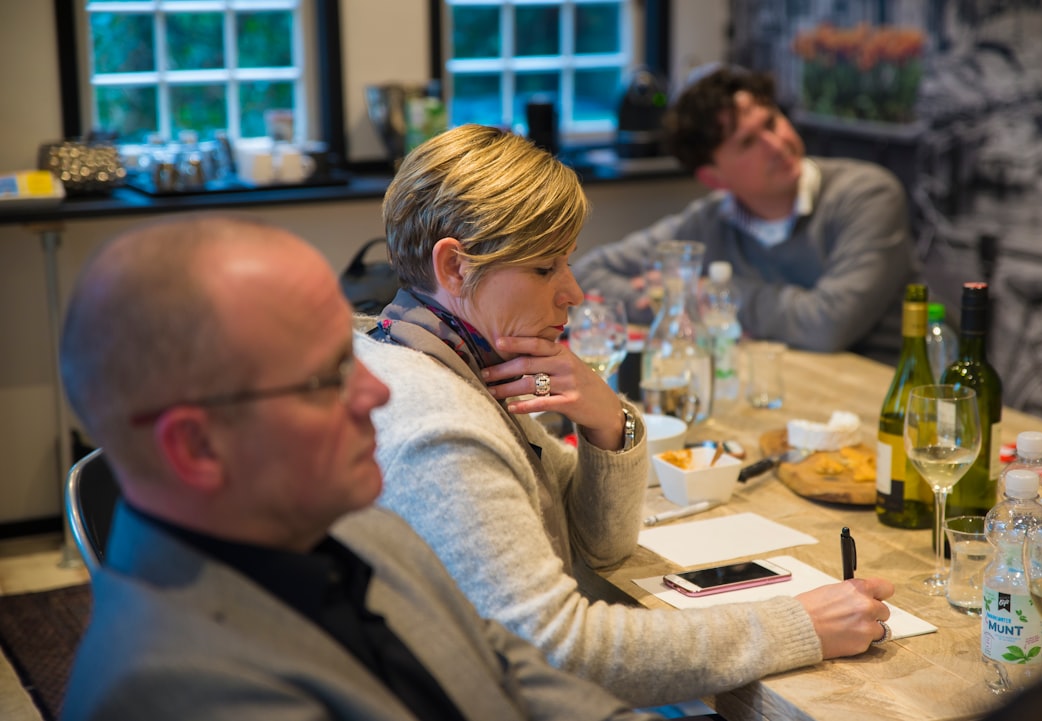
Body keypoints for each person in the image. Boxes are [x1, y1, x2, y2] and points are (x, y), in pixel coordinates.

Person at [347, 123, 896, 708]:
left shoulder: (426, 353)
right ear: (454, 267)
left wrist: (609, 420)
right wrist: (798, 626)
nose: (574, 292)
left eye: (568, 263)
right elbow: (561, 651)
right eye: (544, 268)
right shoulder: (443, 426)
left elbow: (599, 546)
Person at [58, 213, 660, 721]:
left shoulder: (361, 531)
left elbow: (510, 669)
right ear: (197, 449)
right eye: (329, 376)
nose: (375, 392)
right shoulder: (181, 688)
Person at [573, 67, 916, 364]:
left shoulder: (867, 195)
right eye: (749, 142)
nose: (777, 144)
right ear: (713, 177)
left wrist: (713, 294)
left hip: (894, 398)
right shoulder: (707, 223)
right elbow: (588, 274)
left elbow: (827, 326)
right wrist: (678, 303)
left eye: (772, 122)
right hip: (785, 385)